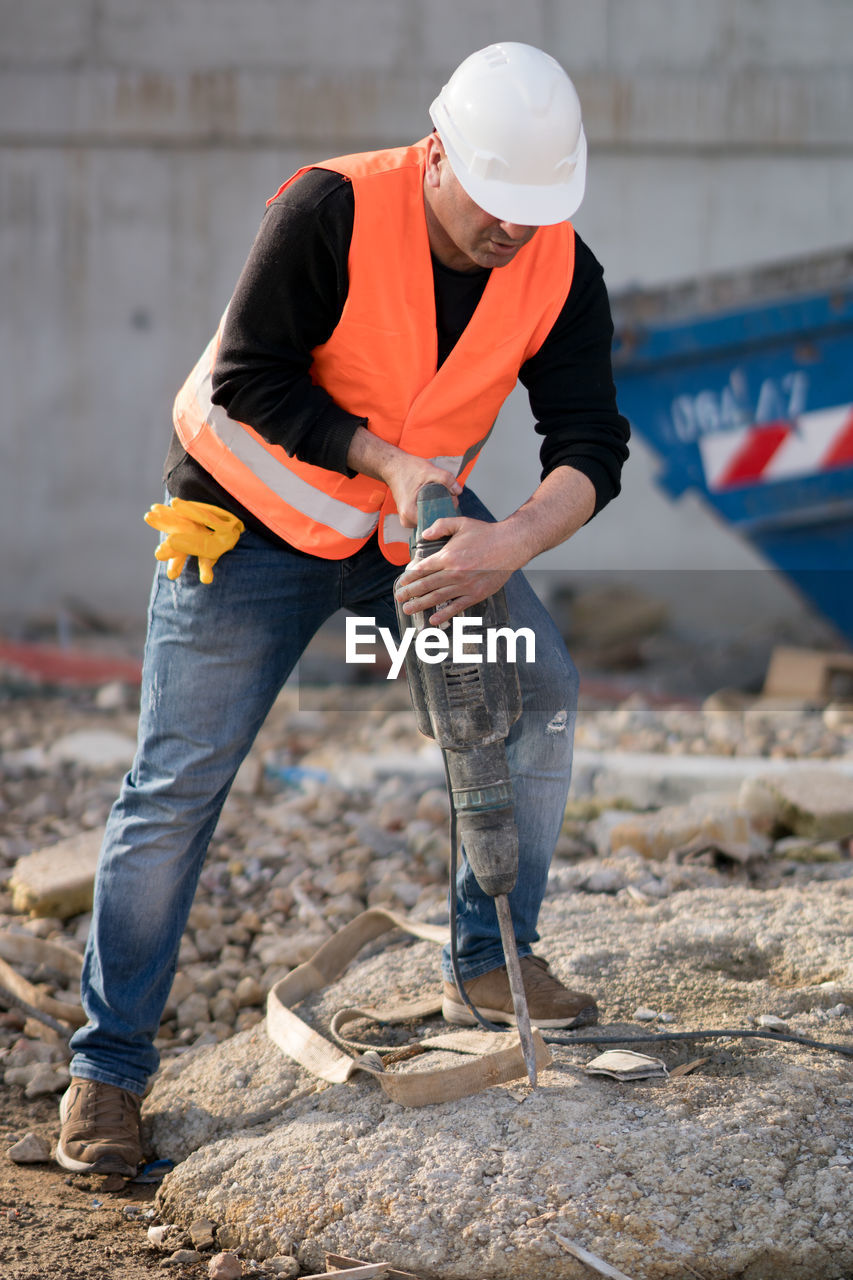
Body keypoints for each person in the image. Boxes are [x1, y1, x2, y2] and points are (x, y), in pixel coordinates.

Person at [57, 41, 630, 1176]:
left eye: (534, 207)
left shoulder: (559, 265)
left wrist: (501, 544)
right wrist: (388, 459)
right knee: (176, 785)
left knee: (540, 687)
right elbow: (248, 376)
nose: (510, 229)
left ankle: (489, 959)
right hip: (247, 524)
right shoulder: (329, 209)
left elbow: (591, 446)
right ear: (436, 153)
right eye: (493, 201)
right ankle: (107, 1069)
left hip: (405, 540)